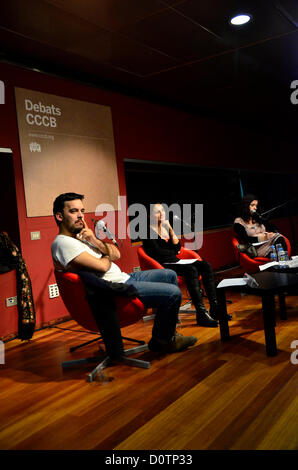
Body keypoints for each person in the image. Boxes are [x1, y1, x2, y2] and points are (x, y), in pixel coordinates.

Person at [51, 192, 197, 359]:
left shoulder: (81, 238)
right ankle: (162, 340)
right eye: (74, 211)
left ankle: (167, 334)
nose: (80, 216)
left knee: (169, 275)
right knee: (173, 293)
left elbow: (116, 254)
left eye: (82, 211)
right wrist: (106, 255)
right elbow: (102, 264)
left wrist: (95, 241)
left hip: (124, 277)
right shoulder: (63, 243)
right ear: (59, 216)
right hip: (114, 288)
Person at [141, 203, 219, 328]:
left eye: (163, 210)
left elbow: (177, 247)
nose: (162, 214)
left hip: (175, 261)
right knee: (191, 270)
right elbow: (158, 252)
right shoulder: (146, 231)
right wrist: (174, 251)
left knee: (206, 265)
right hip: (162, 265)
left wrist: (171, 228)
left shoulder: (165, 228)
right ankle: (201, 313)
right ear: (150, 216)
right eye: (157, 212)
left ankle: (215, 307)